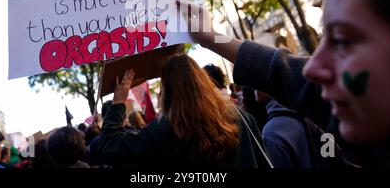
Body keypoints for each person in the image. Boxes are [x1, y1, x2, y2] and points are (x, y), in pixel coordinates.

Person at [177, 0, 390, 166]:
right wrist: (210, 37)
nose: (312, 67)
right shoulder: (365, 117)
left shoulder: (277, 132)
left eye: (342, 41)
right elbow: (286, 74)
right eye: (325, 37)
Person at [96, 55, 271, 169]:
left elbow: (109, 149)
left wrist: (118, 101)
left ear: (168, 90)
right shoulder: (241, 117)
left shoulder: (163, 131)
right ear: (203, 80)